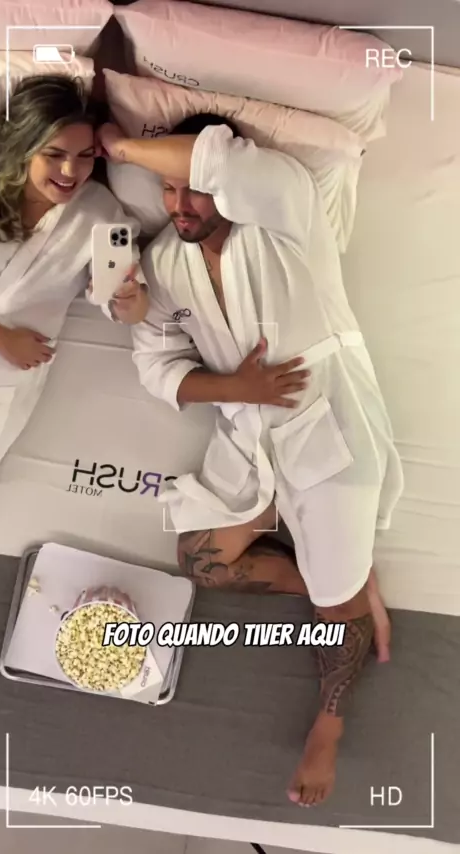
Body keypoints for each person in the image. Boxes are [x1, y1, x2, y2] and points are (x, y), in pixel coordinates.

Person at [98, 113, 404, 807]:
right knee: (201, 561)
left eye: (191, 188)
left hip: (330, 425)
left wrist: (118, 144)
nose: (179, 205)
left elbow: (221, 161)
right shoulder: (164, 263)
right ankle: (340, 586)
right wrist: (234, 386)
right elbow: (157, 366)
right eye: (167, 191)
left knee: (336, 592)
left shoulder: (285, 208)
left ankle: (329, 722)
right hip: (245, 429)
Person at [0, 75, 149, 497]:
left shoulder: (99, 212)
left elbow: (130, 307)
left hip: (0, 389)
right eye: (54, 155)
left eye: (85, 156)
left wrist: (128, 296)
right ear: (23, 147)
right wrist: (0, 338)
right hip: (8, 351)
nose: (71, 172)